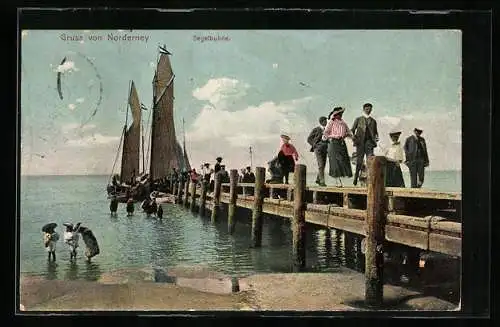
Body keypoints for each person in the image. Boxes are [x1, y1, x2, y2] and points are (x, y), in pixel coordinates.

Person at [322, 107, 353, 187]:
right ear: (335, 115)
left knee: (343, 161)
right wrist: (331, 137)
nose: (340, 116)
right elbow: (325, 133)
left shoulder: (343, 123)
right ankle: (337, 181)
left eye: (341, 114)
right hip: (333, 143)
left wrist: (346, 135)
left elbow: (349, 132)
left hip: (341, 143)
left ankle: (341, 180)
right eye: (339, 114)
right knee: (335, 162)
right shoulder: (331, 122)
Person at [351, 103, 379, 186]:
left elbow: (376, 133)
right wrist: (353, 138)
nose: (369, 110)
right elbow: (352, 130)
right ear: (364, 109)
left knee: (370, 161)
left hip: (369, 143)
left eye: (370, 109)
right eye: (367, 109)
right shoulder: (358, 119)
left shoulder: (373, 121)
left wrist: (376, 138)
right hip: (360, 143)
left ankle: (370, 180)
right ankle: (355, 178)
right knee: (359, 161)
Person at [307, 116, 328, 186]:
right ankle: (322, 181)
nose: (326, 122)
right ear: (322, 122)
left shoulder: (327, 130)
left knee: (323, 165)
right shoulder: (316, 129)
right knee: (321, 164)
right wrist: (315, 145)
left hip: (325, 149)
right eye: (325, 121)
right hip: (318, 149)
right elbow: (309, 139)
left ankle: (318, 179)